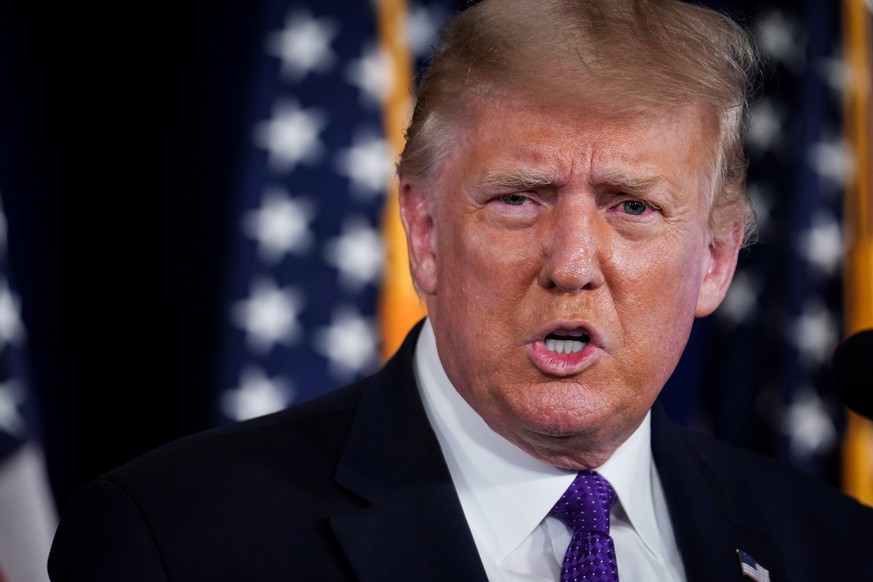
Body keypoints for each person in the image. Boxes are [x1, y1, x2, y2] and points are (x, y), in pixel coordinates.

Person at [48, 0, 873, 580]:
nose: (571, 262)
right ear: (427, 233)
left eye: (632, 206)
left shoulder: (831, 549)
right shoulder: (175, 541)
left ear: (715, 261)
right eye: (518, 198)